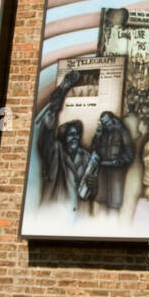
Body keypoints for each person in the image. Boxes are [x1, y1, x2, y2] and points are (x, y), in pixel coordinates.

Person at [32, 69, 85, 204]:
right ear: (63, 137)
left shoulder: (86, 156)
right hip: (54, 212)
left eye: (76, 134)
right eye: (70, 134)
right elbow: (47, 129)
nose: (74, 137)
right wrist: (63, 89)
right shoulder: (54, 152)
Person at [87, 111, 133, 212]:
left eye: (107, 123)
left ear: (113, 120)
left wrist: (118, 161)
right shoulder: (101, 132)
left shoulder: (122, 132)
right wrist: (97, 137)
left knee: (114, 205)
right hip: (102, 172)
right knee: (101, 203)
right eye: (103, 123)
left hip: (116, 173)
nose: (106, 126)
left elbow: (129, 154)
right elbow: (93, 150)